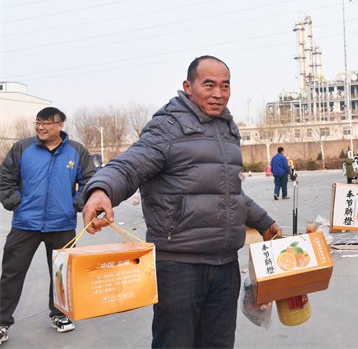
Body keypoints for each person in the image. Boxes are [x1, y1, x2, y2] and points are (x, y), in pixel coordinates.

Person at [81, 55, 282, 348]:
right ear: (188, 87)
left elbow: (228, 191)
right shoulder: (167, 128)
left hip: (225, 266)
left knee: (219, 344)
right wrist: (101, 190)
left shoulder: (227, 130)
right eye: (209, 85)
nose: (218, 93)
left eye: (225, 86)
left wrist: (263, 221)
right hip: (179, 267)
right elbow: (128, 166)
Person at [0, 107, 96, 343]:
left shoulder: (76, 151)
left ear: (60, 125)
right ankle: (1, 322)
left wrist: (75, 205)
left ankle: (60, 314)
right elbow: (5, 177)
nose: (40, 127)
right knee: (12, 273)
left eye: (46, 123)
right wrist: (16, 203)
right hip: (25, 224)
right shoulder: (23, 148)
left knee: (62, 274)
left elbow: (90, 180)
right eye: (37, 122)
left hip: (62, 225)